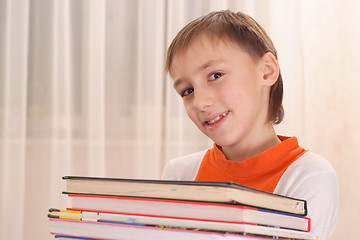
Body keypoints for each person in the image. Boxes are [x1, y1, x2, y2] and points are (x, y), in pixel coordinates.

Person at [161, 10, 338, 240]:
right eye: (188, 91)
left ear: (266, 71)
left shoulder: (309, 175)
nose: (200, 103)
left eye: (215, 75)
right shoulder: (179, 174)